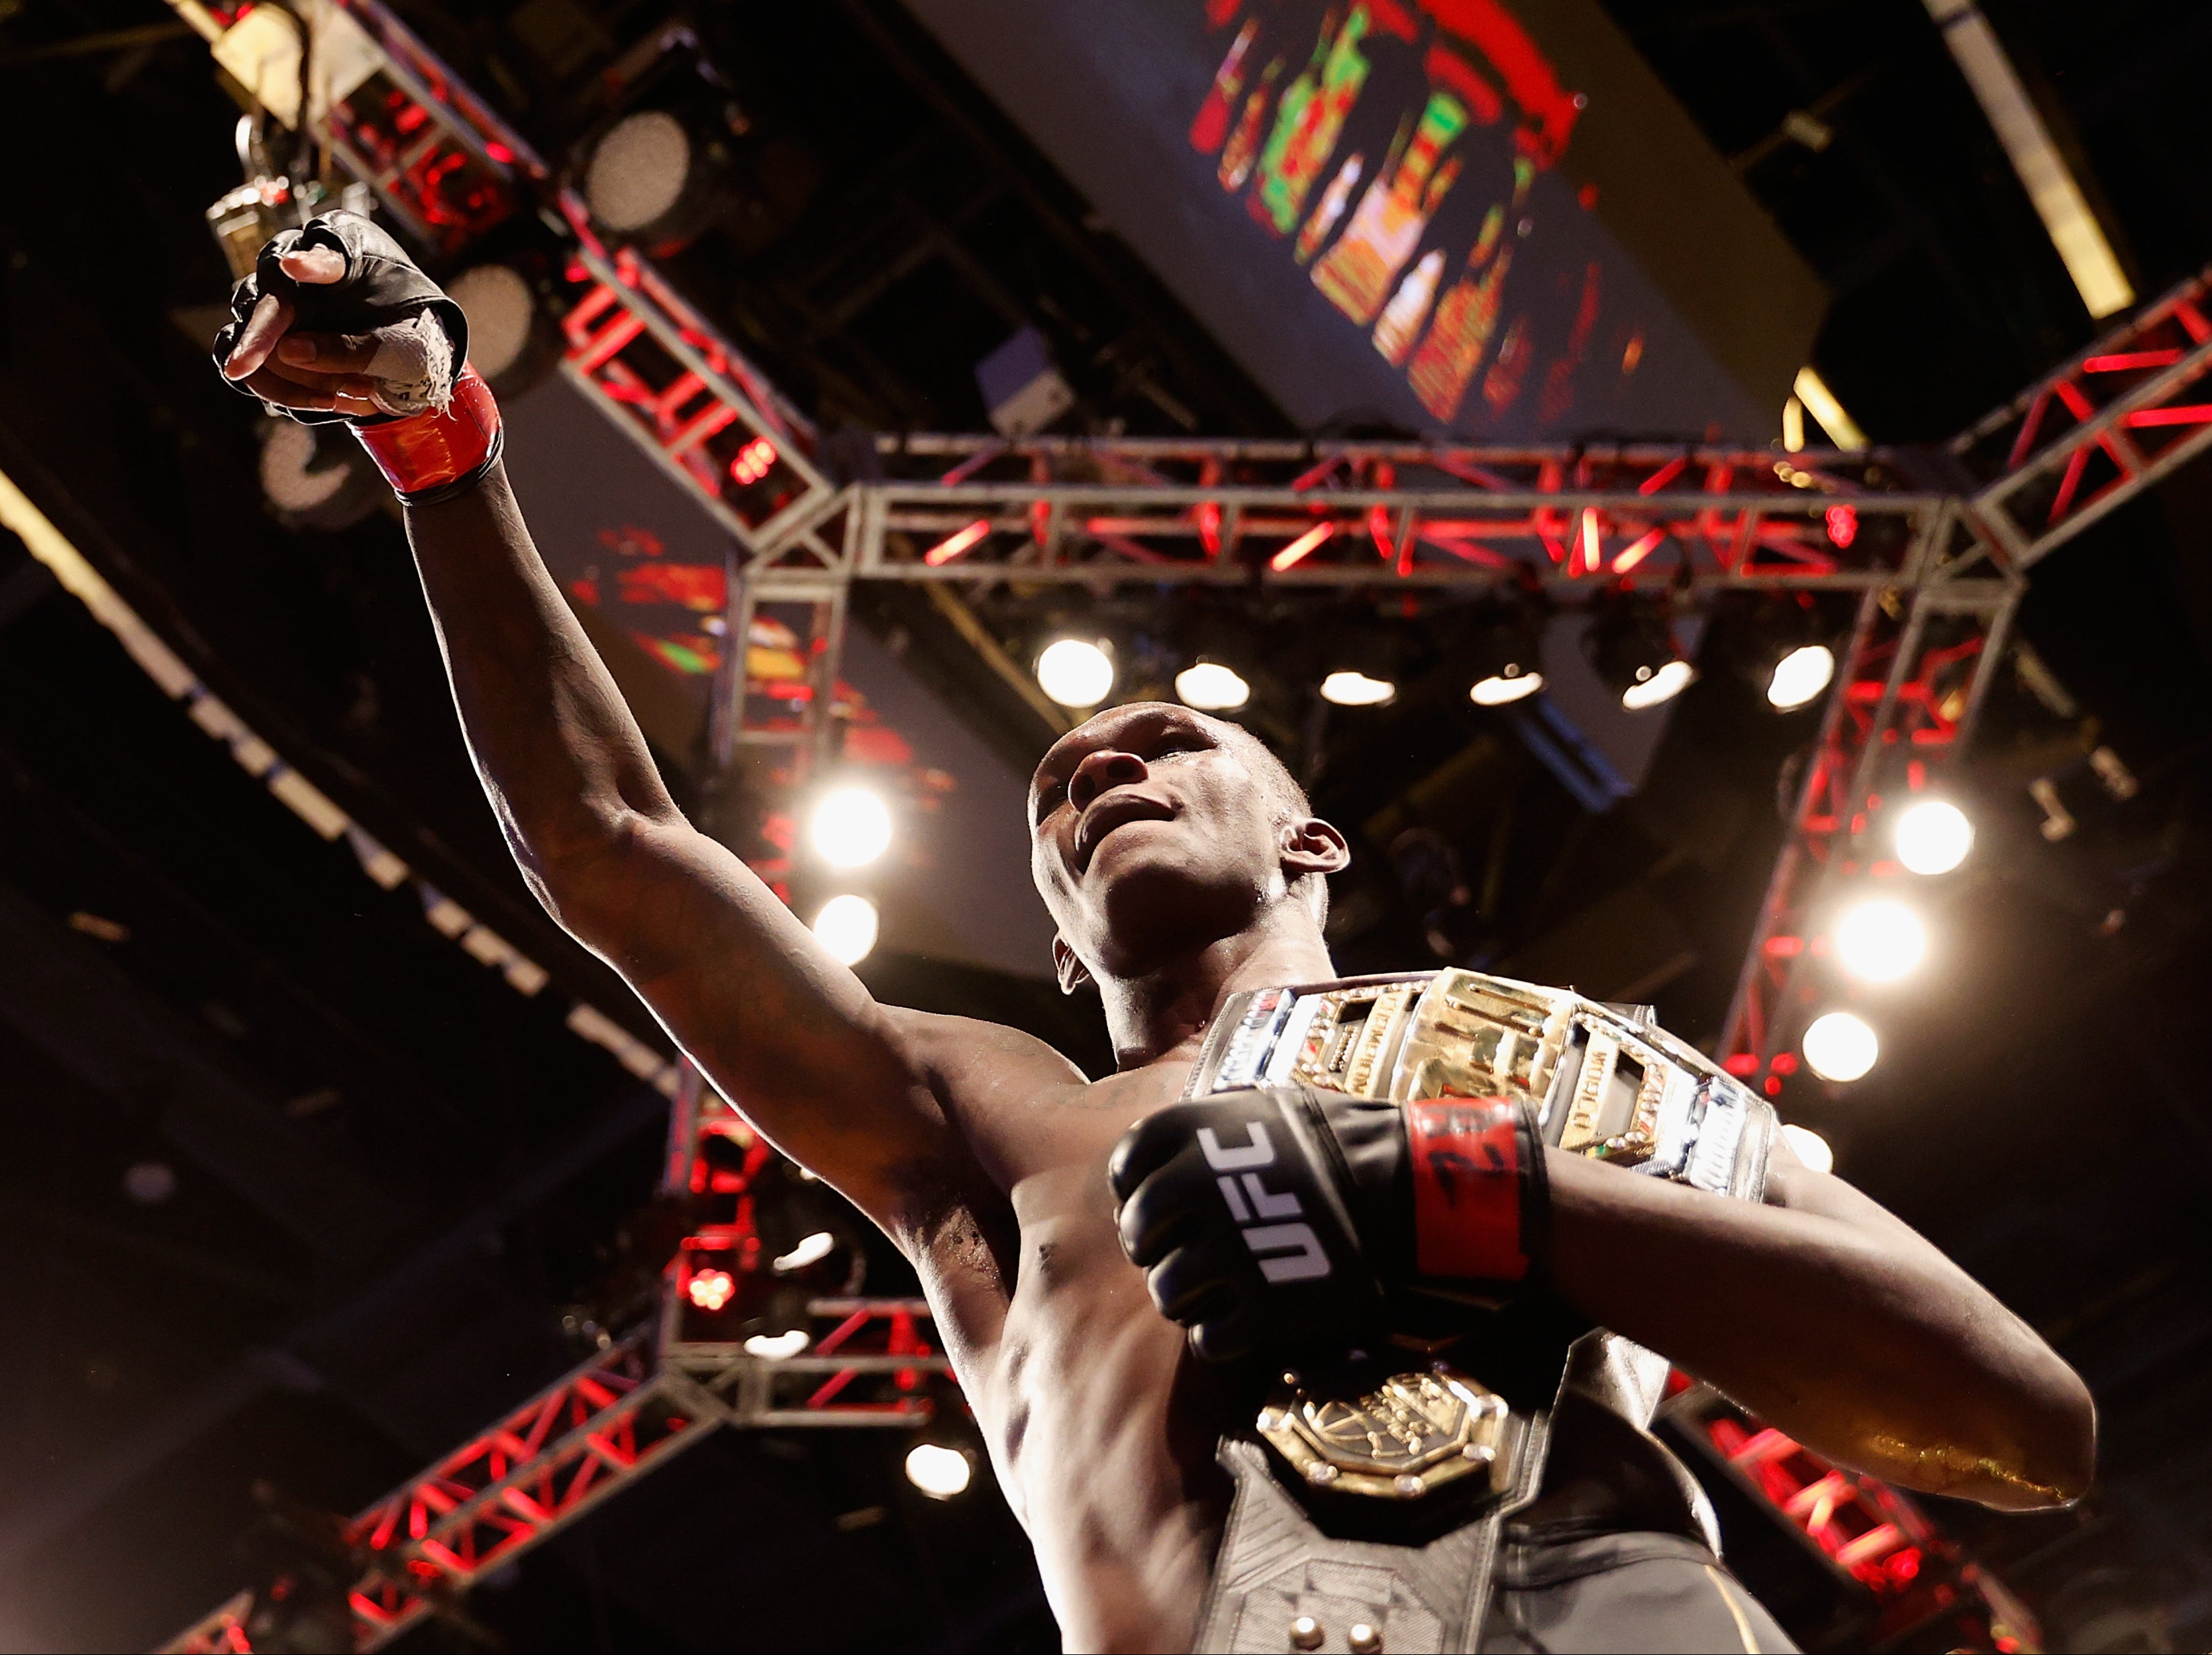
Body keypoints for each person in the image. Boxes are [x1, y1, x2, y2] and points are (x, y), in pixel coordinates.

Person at [217, 218, 2094, 1653]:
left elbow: (2019, 1417)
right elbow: (612, 847)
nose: (1098, 761)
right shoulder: (991, 1126)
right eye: (1055, 795)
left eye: (1168, 740)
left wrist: (1459, 1200)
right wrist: (437, 442)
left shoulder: (1546, 1058)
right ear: (1048, 944)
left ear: (1313, 834)